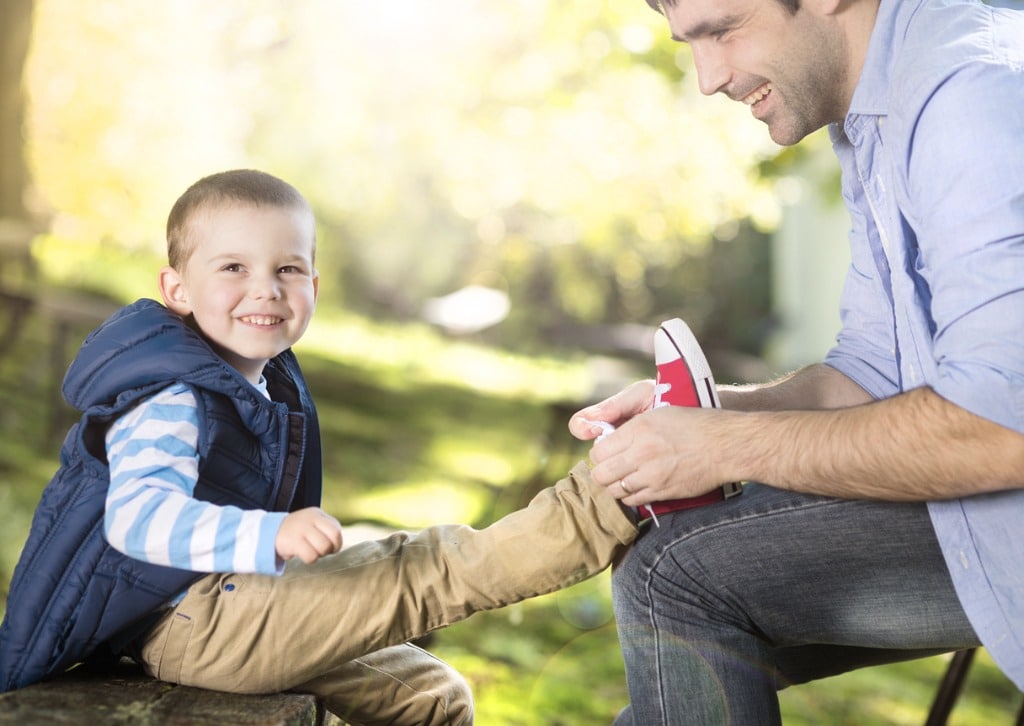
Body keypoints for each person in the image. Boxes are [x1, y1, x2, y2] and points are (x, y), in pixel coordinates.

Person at [0, 169, 639, 724]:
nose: (266, 289)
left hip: (228, 604)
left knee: (433, 696)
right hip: (188, 624)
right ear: (177, 291)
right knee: (420, 571)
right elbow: (137, 520)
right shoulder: (170, 395)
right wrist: (268, 535)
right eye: (233, 268)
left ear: (314, 284)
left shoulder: (258, 379)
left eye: (287, 269)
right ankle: (620, 493)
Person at [568, 0, 1024, 723]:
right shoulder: (877, 107)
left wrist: (724, 447)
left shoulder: (970, 92)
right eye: (691, 43)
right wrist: (702, 416)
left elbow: (1003, 427)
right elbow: (874, 371)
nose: (707, 78)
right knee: (666, 691)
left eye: (724, 29)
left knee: (675, 575)